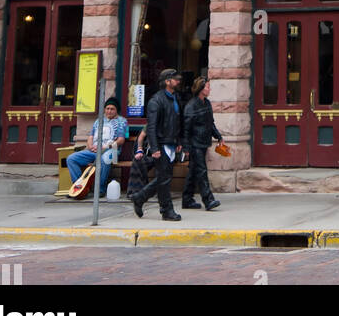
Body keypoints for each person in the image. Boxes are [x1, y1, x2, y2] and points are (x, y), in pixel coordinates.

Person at [133, 68, 187, 221]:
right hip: (161, 144)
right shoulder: (156, 100)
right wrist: (155, 148)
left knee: (164, 178)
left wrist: (178, 141)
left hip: (170, 142)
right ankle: (166, 210)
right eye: (174, 79)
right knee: (164, 179)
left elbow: (177, 122)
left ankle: (139, 197)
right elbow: (151, 126)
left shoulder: (175, 97)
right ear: (167, 81)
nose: (178, 81)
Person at [65, 97, 127, 197]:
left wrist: (105, 147)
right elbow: (91, 136)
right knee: (71, 159)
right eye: (107, 108)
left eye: (112, 109)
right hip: (94, 151)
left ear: (116, 110)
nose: (109, 111)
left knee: (105, 159)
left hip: (112, 151)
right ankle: (79, 188)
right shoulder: (98, 121)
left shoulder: (122, 121)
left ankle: (100, 189)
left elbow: (121, 140)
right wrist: (90, 146)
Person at [181, 76, 222, 211]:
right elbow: (186, 129)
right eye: (207, 87)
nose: (209, 89)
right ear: (200, 89)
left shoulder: (207, 103)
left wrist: (218, 136)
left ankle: (187, 199)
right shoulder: (191, 106)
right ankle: (208, 199)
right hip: (195, 144)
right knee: (202, 171)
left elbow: (211, 123)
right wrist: (186, 147)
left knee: (193, 171)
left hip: (204, 142)